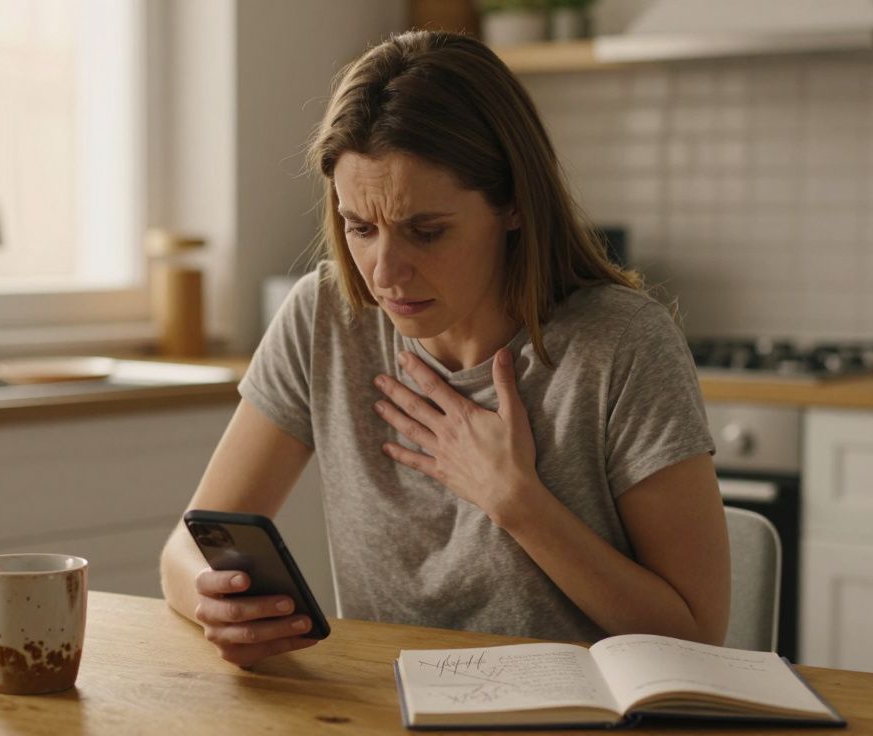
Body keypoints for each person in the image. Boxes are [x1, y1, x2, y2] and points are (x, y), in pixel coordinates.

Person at [160, 30, 729, 668]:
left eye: (425, 232)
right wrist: (211, 601)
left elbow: (697, 637)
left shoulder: (623, 344)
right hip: (383, 710)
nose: (384, 272)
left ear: (512, 205)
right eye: (360, 228)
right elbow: (188, 547)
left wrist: (517, 502)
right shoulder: (324, 318)